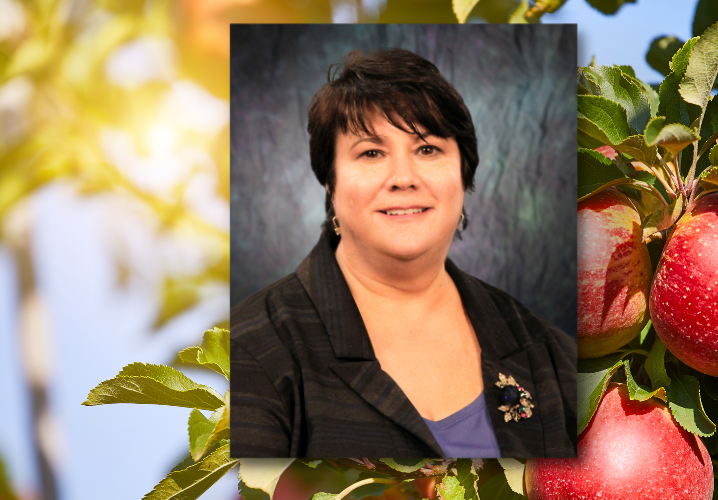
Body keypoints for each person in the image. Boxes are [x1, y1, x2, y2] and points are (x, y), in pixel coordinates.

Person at [230, 48, 576, 458]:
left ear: (463, 173)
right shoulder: (253, 345)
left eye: (427, 149)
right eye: (371, 153)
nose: (403, 178)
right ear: (330, 183)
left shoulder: (548, 351)